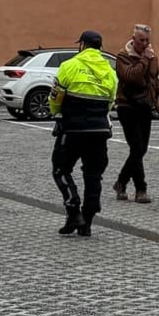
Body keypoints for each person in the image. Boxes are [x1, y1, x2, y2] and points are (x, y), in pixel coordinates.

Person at [50, 30, 118, 236]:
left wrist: (56, 113)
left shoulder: (69, 66)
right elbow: (110, 102)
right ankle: (86, 221)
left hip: (72, 130)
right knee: (93, 175)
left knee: (60, 170)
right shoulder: (110, 72)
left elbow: (55, 97)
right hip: (99, 131)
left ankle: (73, 209)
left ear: (83, 45)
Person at [113, 23, 159, 204]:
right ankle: (140, 189)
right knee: (136, 148)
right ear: (133, 39)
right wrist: (144, 59)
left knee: (141, 149)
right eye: (141, 40)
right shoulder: (123, 56)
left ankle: (121, 181)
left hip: (145, 106)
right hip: (127, 107)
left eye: (147, 40)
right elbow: (132, 77)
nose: (145, 44)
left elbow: (154, 77)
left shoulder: (152, 56)